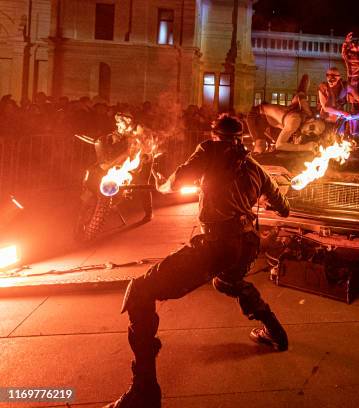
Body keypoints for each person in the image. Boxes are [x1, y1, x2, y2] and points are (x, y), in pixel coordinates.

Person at [104, 114, 291, 408]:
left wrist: (163, 185)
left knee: (140, 292)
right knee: (227, 281)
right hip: (245, 246)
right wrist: (264, 199)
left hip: (217, 244)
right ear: (240, 138)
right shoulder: (256, 167)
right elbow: (284, 207)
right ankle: (275, 331)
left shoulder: (209, 150)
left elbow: (177, 181)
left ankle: (144, 392)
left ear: (215, 136)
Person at [246, 102, 324, 153]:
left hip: (270, 122)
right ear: (311, 120)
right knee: (261, 145)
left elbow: (301, 90)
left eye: (311, 133)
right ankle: (250, 170)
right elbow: (279, 145)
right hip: (258, 115)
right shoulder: (295, 120)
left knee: (286, 147)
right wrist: (306, 147)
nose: (308, 131)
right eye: (311, 127)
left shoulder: (304, 117)